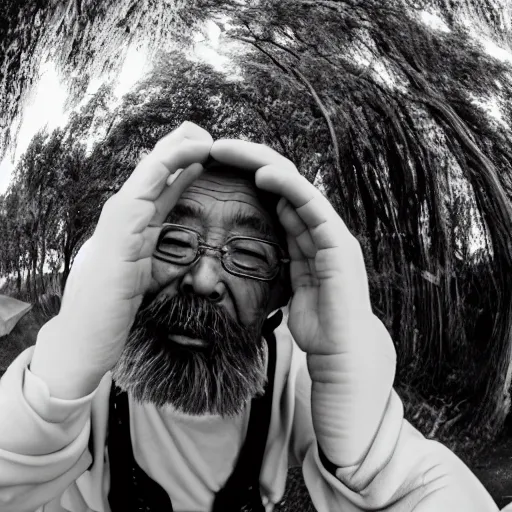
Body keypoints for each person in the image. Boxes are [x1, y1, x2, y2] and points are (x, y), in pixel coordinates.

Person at [0, 122, 499, 512]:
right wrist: (56, 384)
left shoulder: (298, 379)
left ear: (280, 293)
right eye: (174, 241)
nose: (203, 279)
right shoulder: (83, 376)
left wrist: (375, 455)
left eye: (249, 254)